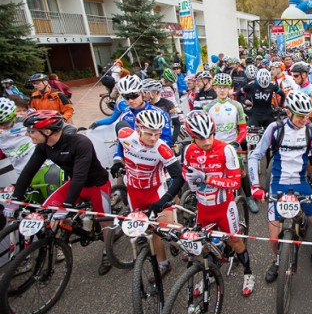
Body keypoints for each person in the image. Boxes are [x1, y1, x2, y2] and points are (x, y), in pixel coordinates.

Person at [12, 110, 113, 275]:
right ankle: (61, 240)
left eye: (31, 131)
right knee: (47, 211)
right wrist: (16, 198)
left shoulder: (80, 142)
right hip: (74, 183)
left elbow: (80, 175)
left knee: (105, 222)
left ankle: (107, 252)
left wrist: (66, 206)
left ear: (47, 131)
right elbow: (29, 171)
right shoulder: (43, 146)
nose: (27, 134)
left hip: (96, 185)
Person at [248, 91, 312, 281]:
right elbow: (255, 156)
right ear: (288, 113)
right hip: (278, 184)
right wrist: (255, 186)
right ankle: (278, 261)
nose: (305, 119)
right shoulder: (274, 129)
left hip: (301, 183)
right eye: (301, 115)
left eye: (308, 115)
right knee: (273, 236)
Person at [182, 111, 255, 296]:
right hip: (203, 208)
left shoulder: (226, 149)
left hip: (224, 207)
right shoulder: (189, 151)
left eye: (210, 136)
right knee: (205, 245)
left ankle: (248, 273)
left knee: (236, 242)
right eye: (200, 138)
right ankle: (211, 274)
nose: (207, 142)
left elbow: (235, 183)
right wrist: (189, 179)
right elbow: (184, 171)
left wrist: (206, 179)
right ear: (192, 137)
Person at [111, 109, 184, 280]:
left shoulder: (162, 148)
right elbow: (120, 127)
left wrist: (165, 200)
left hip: (155, 192)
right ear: (138, 130)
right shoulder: (126, 136)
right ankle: (163, 263)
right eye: (149, 134)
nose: (154, 138)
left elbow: (179, 177)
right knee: (149, 231)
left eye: (157, 134)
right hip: (134, 193)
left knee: (168, 229)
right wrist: (117, 160)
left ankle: (194, 245)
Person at [205, 73, 257, 213]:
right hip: (214, 146)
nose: (222, 90)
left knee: (242, 173)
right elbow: (205, 130)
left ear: (230, 89)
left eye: (225, 87)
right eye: (220, 87)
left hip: (232, 145)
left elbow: (243, 129)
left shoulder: (237, 105)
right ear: (214, 88)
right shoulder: (208, 107)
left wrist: (236, 142)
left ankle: (249, 197)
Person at [116, 75, 173, 147]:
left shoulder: (159, 113)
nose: (130, 100)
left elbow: (166, 140)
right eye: (126, 97)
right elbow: (121, 142)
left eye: (134, 96)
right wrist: (118, 156)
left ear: (142, 93)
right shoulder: (124, 116)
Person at [0, 97, 36, 176]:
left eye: (6, 122)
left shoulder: (27, 118)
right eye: (0, 124)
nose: (2, 127)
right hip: (21, 171)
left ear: (13, 115)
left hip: (42, 163)